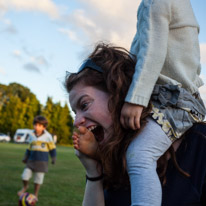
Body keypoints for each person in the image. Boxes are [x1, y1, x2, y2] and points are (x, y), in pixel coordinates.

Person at [66, 43, 206, 206]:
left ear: (119, 94)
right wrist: (93, 172)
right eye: (75, 113)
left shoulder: (200, 144)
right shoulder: (108, 159)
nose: (77, 122)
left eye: (84, 105)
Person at [117, 0, 206, 205]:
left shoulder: (156, 2)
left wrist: (135, 98)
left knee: (140, 155)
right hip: (182, 98)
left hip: (172, 101)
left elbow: (152, 51)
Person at [17, 115, 56, 200]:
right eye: (35, 124)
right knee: (25, 176)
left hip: (42, 162)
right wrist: (25, 157)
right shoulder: (31, 135)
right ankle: (25, 187)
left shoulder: (48, 136)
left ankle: (35, 194)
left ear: (44, 127)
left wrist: (53, 158)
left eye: (39, 125)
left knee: (38, 180)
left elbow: (52, 148)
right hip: (31, 161)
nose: (36, 127)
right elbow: (29, 148)